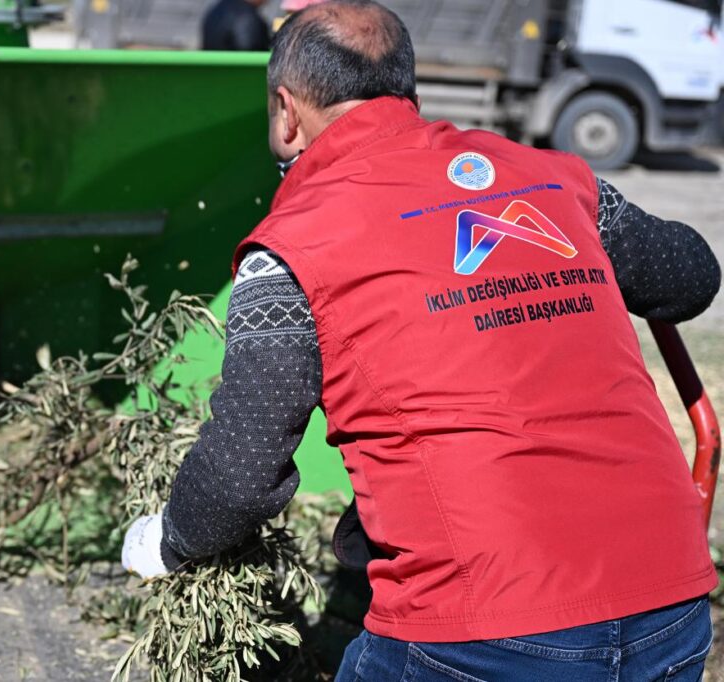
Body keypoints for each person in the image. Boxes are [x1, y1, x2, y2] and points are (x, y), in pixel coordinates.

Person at [122, 1, 722, 678]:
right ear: (406, 90)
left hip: (484, 630)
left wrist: (170, 540)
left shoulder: (292, 248)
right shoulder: (557, 178)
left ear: (287, 113)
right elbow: (692, 276)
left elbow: (239, 477)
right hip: (672, 606)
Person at [201, 0, 271, 51]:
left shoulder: (215, 11)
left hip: (214, 66)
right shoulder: (247, 16)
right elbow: (249, 51)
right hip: (236, 66)